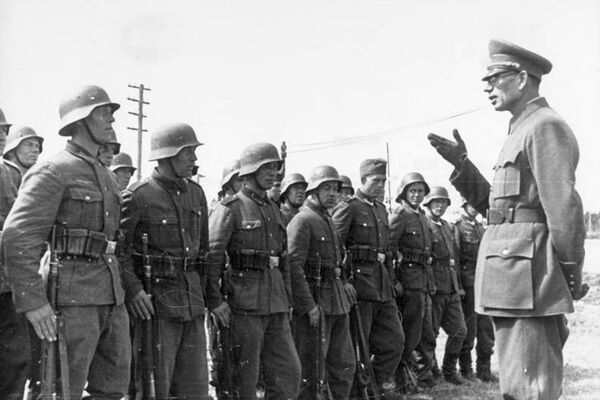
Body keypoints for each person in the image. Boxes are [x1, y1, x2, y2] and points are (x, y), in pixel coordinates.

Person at [428, 39, 586, 399]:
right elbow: (501, 211)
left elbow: (563, 209)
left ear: (522, 78)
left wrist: (568, 271)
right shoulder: (521, 128)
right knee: (519, 384)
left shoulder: (544, 126)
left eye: (495, 77)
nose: (487, 87)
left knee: (530, 388)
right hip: (513, 279)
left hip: (530, 279)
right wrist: (463, 166)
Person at [2, 85, 131, 399]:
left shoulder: (106, 175)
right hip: (70, 300)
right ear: (81, 120)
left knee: (113, 388)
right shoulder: (53, 170)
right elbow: (18, 237)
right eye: (103, 114)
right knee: (60, 390)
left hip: (110, 296)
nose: (111, 120)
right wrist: (33, 302)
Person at [119, 122, 210, 400]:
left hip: (192, 301)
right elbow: (119, 252)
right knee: (153, 387)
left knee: (195, 388)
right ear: (168, 155)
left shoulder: (196, 193)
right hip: (156, 305)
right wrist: (133, 290)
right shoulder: (138, 195)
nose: (194, 158)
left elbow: (204, 251)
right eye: (188, 152)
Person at [208, 142, 301, 400]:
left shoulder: (273, 209)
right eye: (266, 168)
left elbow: (284, 259)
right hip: (244, 305)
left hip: (276, 304)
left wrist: (288, 300)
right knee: (244, 381)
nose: (273, 173)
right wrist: (215, 301)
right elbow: (212, 258)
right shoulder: (231, 208)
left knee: (288, 374)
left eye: (275, 167)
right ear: (249, 171)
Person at [332, 158, 404, 398]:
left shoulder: (381, 209)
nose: (381, 185)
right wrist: (343, 282)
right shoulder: (349, 207)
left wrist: (391, 280)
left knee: (395, 341)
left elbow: (387, 251)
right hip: (359, 287)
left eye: (383, 181)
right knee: (358, 346)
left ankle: (374, 385)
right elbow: (333, 246)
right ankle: (359, 392)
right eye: (376, 181)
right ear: (363, 180)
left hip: (382, 286)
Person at [287, 165, 356, 400]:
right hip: (316, 303)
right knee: (311, 367)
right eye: (326, 188)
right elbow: (293, 266)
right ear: (313, 191)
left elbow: (336, 261)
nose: (332, 194)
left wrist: (344, 282)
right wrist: (307, 305)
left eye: (335, 189)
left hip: (336, 301)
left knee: (343, 363)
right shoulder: (303, 220)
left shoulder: (327, 218)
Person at [388, 172, 435, 393]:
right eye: (412, 191)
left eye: (420, 191)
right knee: (409, 333)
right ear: (404, 193)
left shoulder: (422, 216)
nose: (417, 195)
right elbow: (388, 248)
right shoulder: (401, 215)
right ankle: (403, 380)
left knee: (423, 332)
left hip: (422, 280)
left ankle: (419, 376)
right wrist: (394, 280)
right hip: (408, 281)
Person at [416, 186, 466, 386]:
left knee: (460, 330)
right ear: (428, 204)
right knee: (431, 332)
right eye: (436, 202)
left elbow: (455, 258)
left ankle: (449, 369)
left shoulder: (447, 226)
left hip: (451, 286)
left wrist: (458, 285)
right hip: (434, 286)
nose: (440, 206)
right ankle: (431, 370)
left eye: (443, 202)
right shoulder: (424, 224)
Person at [454, 199, 497, 382]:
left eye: (476, 204)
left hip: (484, 284)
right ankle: (466, 368)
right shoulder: (457, 228)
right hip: (468, 285)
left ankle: (484, 368)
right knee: (469, 328)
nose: (474, 208)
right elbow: (455, 261)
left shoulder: (481, 228)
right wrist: (459, 287)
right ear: (464, 206)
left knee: (486, 328)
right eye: (470, 204)